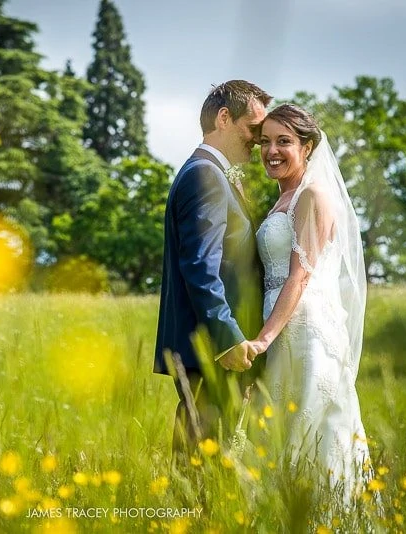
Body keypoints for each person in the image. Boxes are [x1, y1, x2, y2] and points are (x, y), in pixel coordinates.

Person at [247, 104, 370, 499]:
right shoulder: (283, 198)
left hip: (304, 333)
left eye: (284, 141)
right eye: (265, 141)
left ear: (309, 147)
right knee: (282, 440)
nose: (272, 151)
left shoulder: (313, 195)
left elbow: (300, 276)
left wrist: (263, 340)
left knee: (311, 442)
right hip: (283, 329)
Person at [154, 80, 271, 459]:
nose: (259, 139)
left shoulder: (206, 172)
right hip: (212, 350)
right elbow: (201, 268)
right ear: (224, 118)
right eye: (253, 128)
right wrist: (228, 339)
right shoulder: (206, 175)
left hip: (210, 351)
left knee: (203, 457)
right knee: (200, 462)